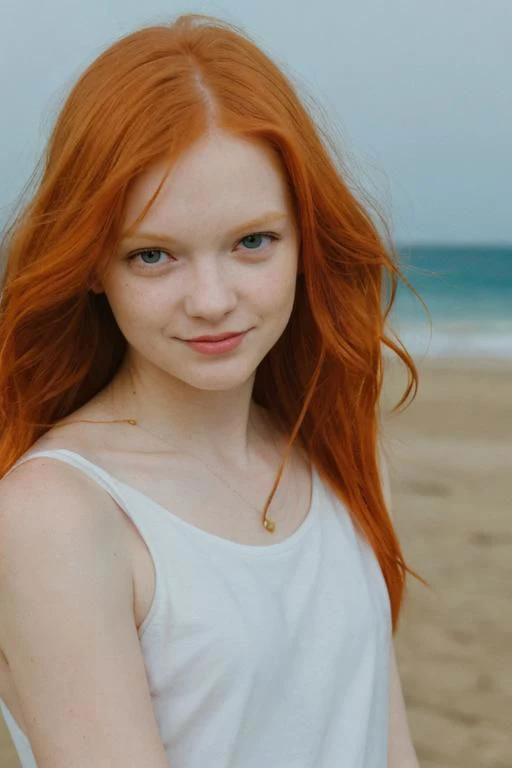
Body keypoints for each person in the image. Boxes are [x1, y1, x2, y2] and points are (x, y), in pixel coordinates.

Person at [0, 13, 423, 767]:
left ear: (306, 241)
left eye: (252, 241)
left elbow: (387, 744)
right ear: (92, 265)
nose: (211, 299)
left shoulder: (335, 451)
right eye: (153, 254)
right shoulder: (57, 514)